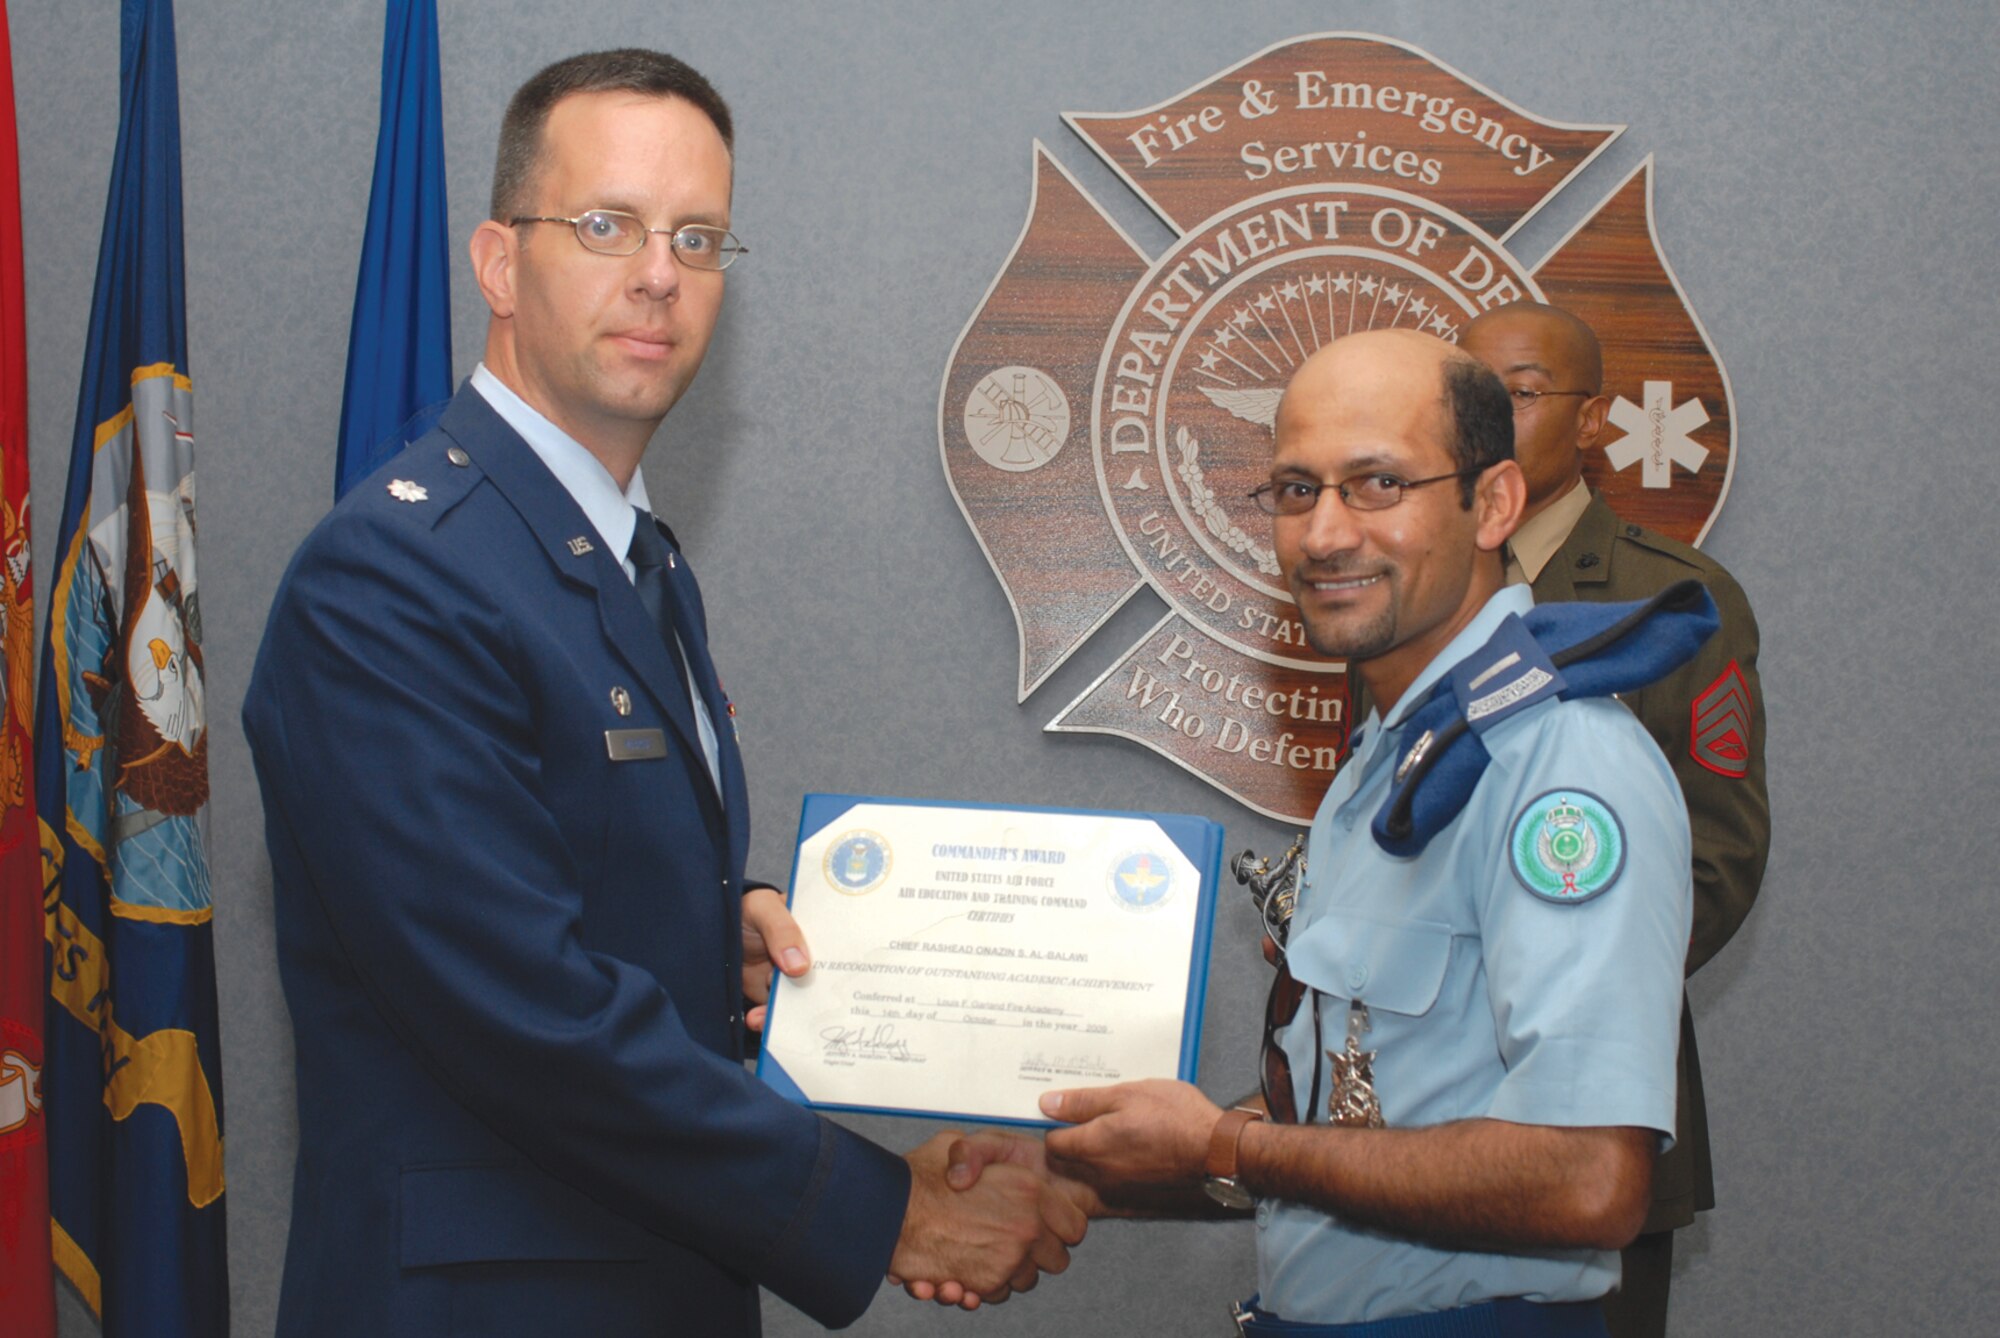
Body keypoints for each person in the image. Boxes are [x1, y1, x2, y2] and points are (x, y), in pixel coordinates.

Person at [242, 49, 1078, 1338]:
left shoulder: (635, 561)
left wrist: (705, 928)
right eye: (605, 225)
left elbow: (560, 884)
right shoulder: (396, 575)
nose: (658, 273)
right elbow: (520, 1012)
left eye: (699, 237)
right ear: (498, 264)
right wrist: (886, 1208)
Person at [950, 329, 1704, 1335]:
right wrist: (1087, 1171)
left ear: (1491, 503)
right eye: (1296, 491)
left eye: (1377, 485)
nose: (1324, 535)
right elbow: (1359, 1121)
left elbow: (1585, 1179)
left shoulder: (1555, 765)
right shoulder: (1395, 758)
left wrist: (1223, 1145)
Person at [1460, 302, 1769, 1338]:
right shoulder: (1413, 587)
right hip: (1401, 1124)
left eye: (1514, 393)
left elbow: (1716, 858)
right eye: (1463, 396)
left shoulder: (1669, 600)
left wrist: (1542, 993)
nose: (1483, 419)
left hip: (1593, 1102)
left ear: (1590, 421)